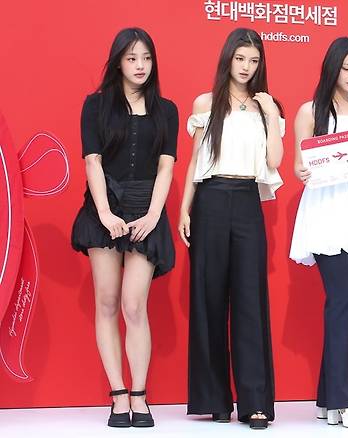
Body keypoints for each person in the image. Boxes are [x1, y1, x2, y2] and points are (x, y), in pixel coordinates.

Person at [71, 27, 178, 428]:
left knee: (134, 305)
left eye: (146, 58)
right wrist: (104, 213)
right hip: (105, 210)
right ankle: (118, 395)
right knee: (107, 301)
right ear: (118, 62)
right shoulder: (96, 105)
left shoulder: (166, 110)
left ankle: (140, 395)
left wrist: (153, 215)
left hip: (145, 210)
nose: (140, 66)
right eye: (132, 58)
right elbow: (92, 161)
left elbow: (166, 166)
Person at [179, 28, 283, 430]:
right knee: (208, 299)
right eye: (240, 59)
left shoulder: (266, 106)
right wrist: (184, 209)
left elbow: (274, 161)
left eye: (254, 61)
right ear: (228, 59)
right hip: (209, 199)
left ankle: (255, 402)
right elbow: (194, 161)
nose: (246, 67)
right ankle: (215, 400)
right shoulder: (205, 103)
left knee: (250, 301)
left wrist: (271, 114)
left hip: (246, 201)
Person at [289, 36, 348, 429]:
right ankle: (345, 400)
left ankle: (327, 398)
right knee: (341, 299)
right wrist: (304, 169)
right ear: (332, 68)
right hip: (327, 210)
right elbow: (299, 164)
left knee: (346, 302)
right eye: (347, 68)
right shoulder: (310, 111)